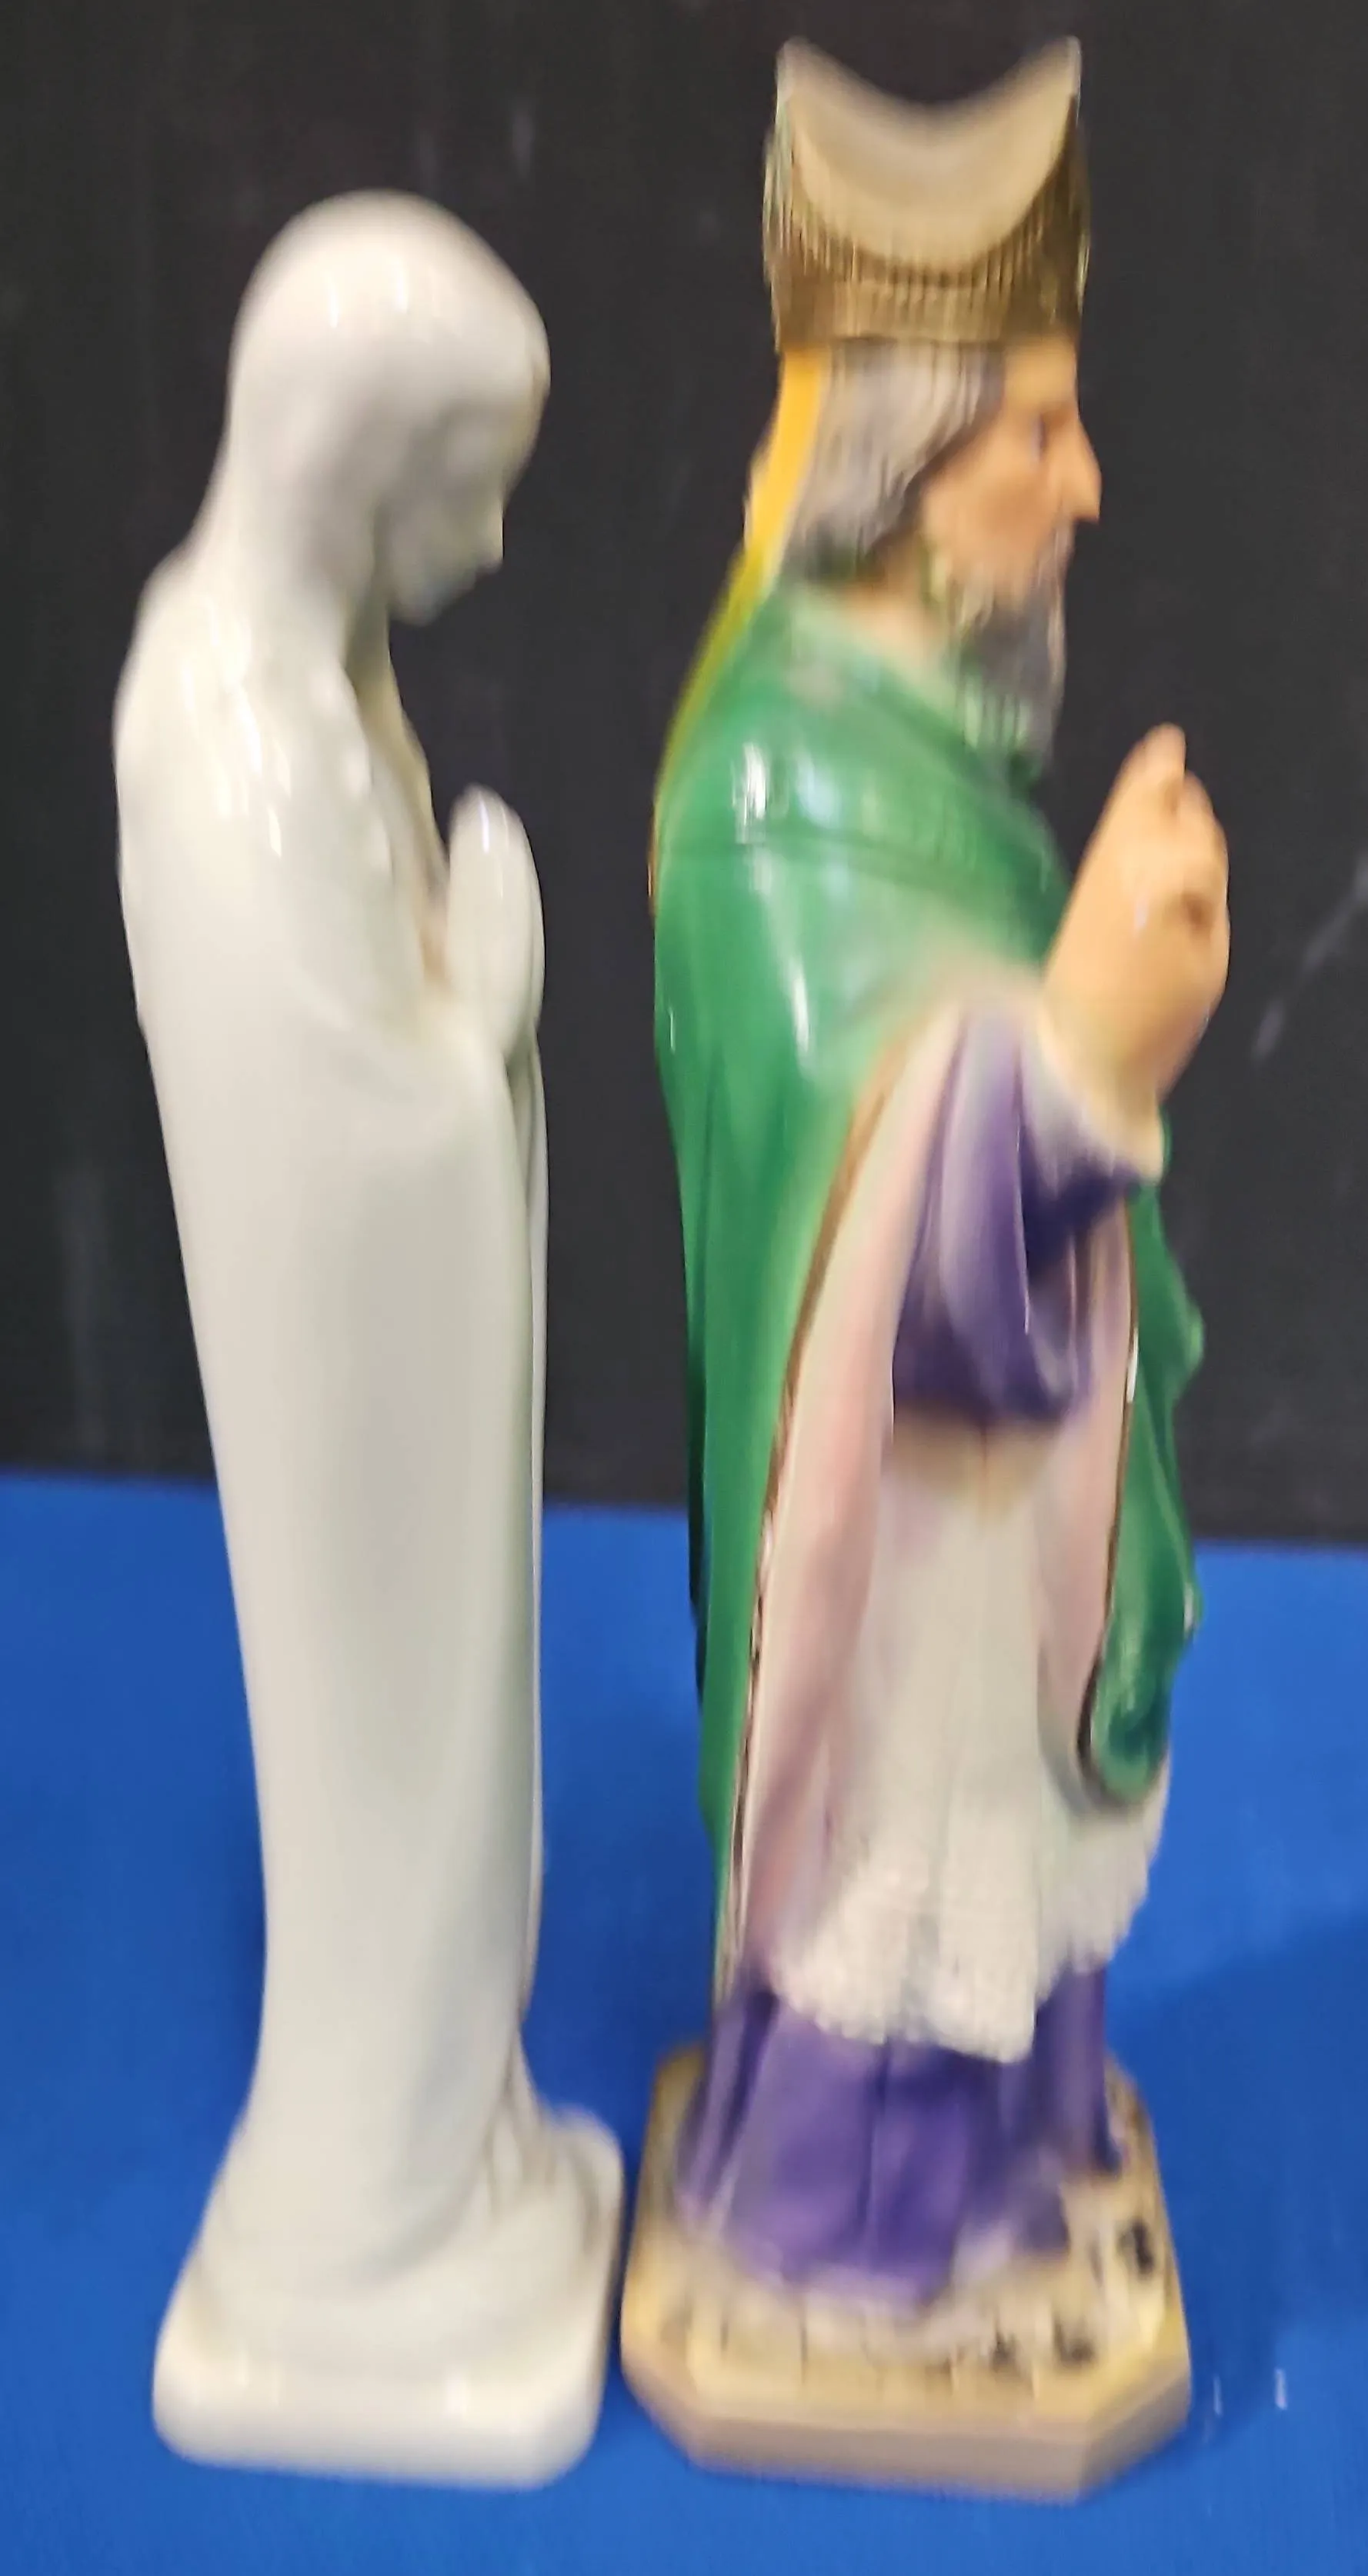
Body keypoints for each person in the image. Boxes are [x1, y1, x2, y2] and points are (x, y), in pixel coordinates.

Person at [650, 42, 1227, 2371]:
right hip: (891, 1535)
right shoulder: (772, 773)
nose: (1087, 484)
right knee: (910, 1862)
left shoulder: (932, 726)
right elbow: (850, 1207)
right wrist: (1082, 1057)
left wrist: (1081, 1036)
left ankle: (994, 2182)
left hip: (986, 1518)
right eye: (1037, 433)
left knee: (999, 1831)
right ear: (903, 469)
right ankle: (839, 2257)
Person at [115, 195, 620, 2484]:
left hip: (396, 1412)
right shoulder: (234, 739)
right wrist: (484, 1001)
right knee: (388, 1803)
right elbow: (322, 1148)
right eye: (470, 487)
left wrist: (451, 1002)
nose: (495, 541)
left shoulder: (314, 685)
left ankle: (452, 2158)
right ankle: (362, 2225)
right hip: (351, 1438)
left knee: (452, 1800)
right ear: (359, 459)